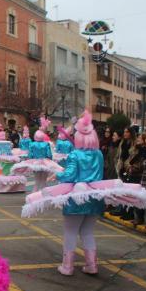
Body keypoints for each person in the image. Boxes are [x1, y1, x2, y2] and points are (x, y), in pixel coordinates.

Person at [49, 110, 105, 276]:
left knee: (71, 232)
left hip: (76, 198)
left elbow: (69, 175)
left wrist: (56, 174)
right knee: (88, 231)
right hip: (95, 196)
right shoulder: (99, 154)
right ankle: (91, 265)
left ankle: (67, 267)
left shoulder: (75, 155)